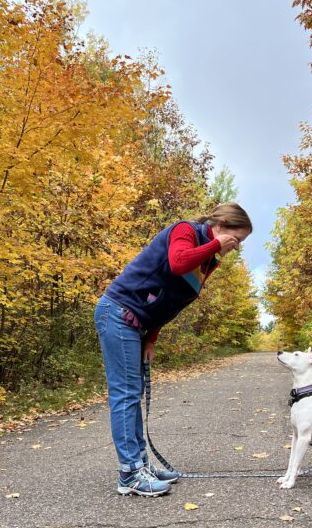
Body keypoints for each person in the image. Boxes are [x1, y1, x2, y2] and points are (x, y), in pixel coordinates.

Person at [94, 202, 253, 497]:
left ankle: (140, 463)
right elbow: (178, 261)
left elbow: (171, 302)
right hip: (117, 312)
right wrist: (216, 244)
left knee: (133, 392)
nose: (237, 246)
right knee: (126, 393)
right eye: (237, 239)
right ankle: (129, 474)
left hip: (137, 322)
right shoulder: (185, 231)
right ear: (220, 226)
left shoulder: (209, 261)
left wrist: (151, 338)